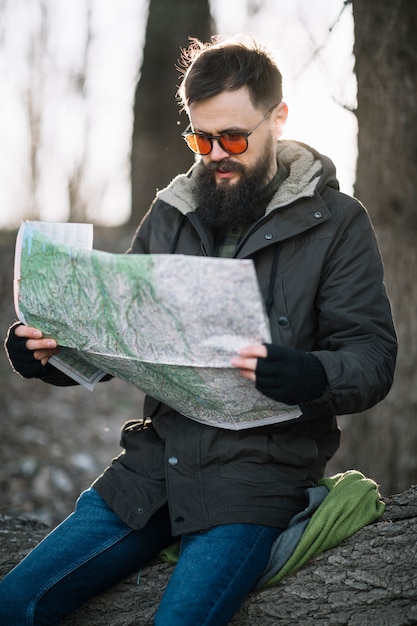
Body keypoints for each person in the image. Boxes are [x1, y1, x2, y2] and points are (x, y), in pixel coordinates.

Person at [0, 34, 397, 625]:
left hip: (256, 479)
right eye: (200, 137)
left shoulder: (337, 222)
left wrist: (310, 372)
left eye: (233, 137)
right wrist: (51, 354)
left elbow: (372, 356)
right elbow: (125, 334)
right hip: (155, 465)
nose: (215, 154)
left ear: (279, 118)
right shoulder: (173, 210)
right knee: (15, 603)